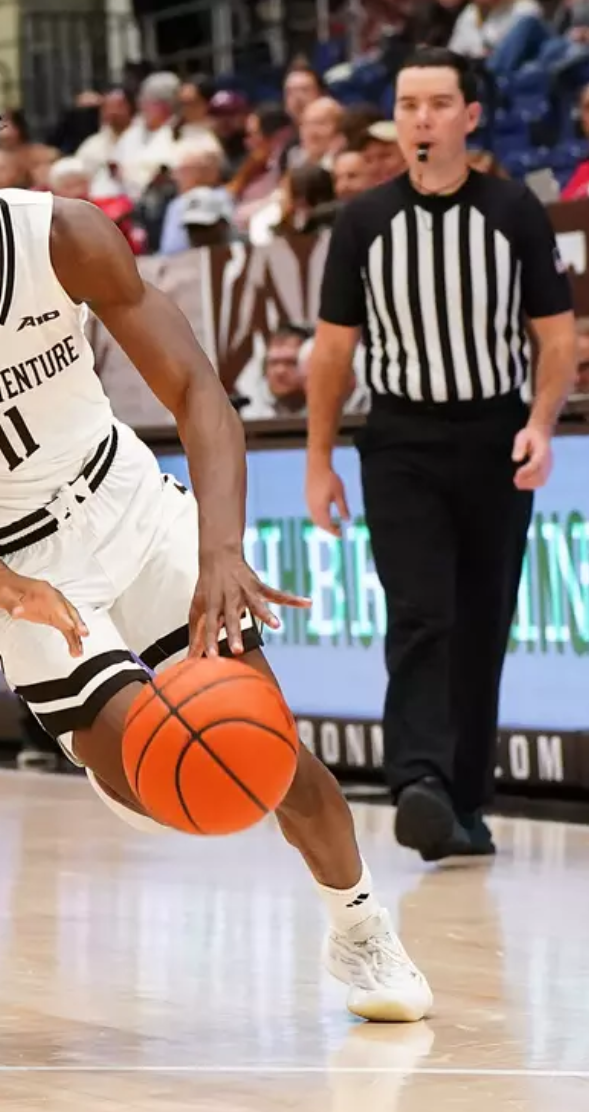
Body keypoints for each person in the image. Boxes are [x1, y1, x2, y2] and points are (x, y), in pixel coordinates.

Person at [0, 64, 433, 1022]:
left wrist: (221, 549)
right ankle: (121, 753)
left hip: (130, 507)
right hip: (4, 561)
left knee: (268, 752)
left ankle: (358, 927)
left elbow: (196, 394)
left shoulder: (61, 235)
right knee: (154, 773)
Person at [305, 48, 575, 862]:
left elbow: (555, 337)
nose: (420, 118)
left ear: (469, 117)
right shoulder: (361, 220)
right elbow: (330, 352)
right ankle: (418, 781)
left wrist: (540, 422)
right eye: (407, 104)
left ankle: (463, 800)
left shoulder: (513, 211)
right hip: (401, 442)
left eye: (436, 103)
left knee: (482, 619)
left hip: (495, 435)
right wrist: (319, 460)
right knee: (422, 612)